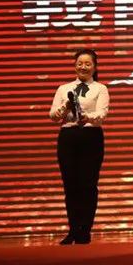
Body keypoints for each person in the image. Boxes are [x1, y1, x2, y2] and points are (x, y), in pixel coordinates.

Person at [48, 49, 109, 245]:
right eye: (80, 63)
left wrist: (86, 117)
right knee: (70, 185)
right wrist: (64, 107)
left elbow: (102, 115)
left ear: (95, 67)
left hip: (91, 137)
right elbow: (52, 116)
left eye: (88, 64)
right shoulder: (63, 88)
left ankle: (85, 230)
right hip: (68, 137)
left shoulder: (100, 88)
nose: (83, 67)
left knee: (88, 185)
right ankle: (73, 229)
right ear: (75, 66)